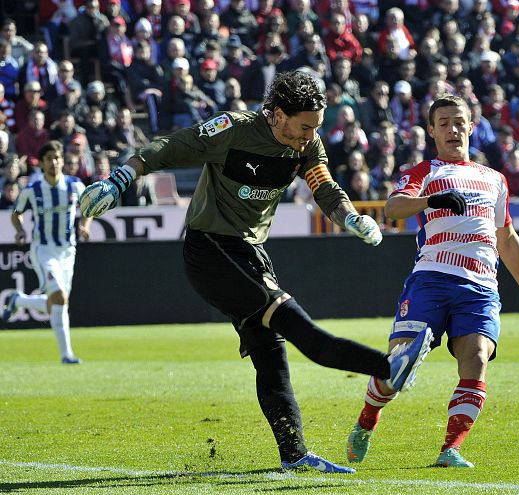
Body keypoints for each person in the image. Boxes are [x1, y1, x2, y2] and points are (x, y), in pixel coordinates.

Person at [77, 70, 433, 474]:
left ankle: (294, 455)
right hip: (212, 249)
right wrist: (121, 178)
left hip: (250, 253)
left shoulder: (307, 144)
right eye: (304, 126)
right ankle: (390, 367)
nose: (310, 135)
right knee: (301, 330)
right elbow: (169, 148)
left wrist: (350, 216)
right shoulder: (233, 130)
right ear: (277, 114)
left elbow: (323, 186)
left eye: (315, 126)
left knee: (271, 353)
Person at [345, 95, 519, 469]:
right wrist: (432, 200)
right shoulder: (425, 171)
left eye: (459, 122)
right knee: (398, 365)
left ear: (471, 127)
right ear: (432, 131)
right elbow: (393, 207)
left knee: (477, 359)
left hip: (482, 288)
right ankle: (368, 417)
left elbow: (506, 237)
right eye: (444, 123)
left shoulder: (494, 179)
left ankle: (450, 448)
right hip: (433, 278)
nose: (452, 129)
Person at [2, 141, 91, 364]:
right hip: (43, 251)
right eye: (49, 158)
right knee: (59, 297)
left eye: (57, 158)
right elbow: (16, 213)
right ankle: (67, 355)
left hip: (68, 251)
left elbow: (88, 207)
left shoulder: (75, 185)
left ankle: (18, 300)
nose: (54, 162)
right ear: (42, 163)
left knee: (57, 303)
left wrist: (85, 225)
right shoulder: (33, 189)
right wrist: (20, 230)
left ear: (62, 160)